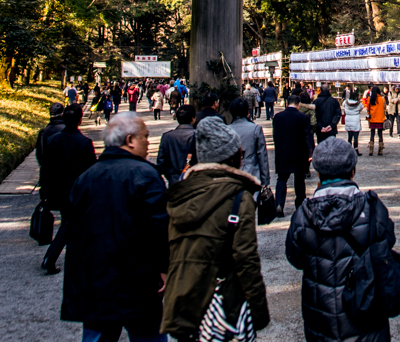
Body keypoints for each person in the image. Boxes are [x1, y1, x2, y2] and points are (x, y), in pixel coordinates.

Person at [61, 112, 168, 342]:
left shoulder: (86, 177)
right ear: (130, 140)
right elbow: (159, 227)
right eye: (145, 137)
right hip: (137, 278)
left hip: (93, 278)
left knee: (97, 334)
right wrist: (164, 267)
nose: (149, 143)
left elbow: (72, 227)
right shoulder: (147, 175)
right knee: (147, 334)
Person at [162, 116, 271, 340]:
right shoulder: (238, 198)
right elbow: (246, 258)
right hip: (223, 304)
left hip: (183, 301)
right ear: (232, 157)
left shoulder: (179, 195)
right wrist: (259, 310)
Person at [286, 138, 398, 342]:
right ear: (352, 170)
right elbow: (387, 243)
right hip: (365, 308)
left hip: (321, 312)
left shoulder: (303, 214)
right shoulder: (371, 208)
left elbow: (295, 258)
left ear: (319, 173)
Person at [40, 104, 97, 274]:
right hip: (77, 190)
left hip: (57, 189)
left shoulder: (53, 140)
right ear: (80, 120)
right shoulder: (85, 142)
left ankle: (60, 256)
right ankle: (51, 257)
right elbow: (90, 170)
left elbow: (46, 167)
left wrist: (44, 190)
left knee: (69, 222)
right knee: (69, 224)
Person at [273, 95, 313, 214]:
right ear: (298, 104)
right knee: (299, 179)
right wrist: (311, 152)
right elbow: (308, 136)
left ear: (287, 103)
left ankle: (279, 203)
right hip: (299, 152)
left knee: (281, 179)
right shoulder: (303, 117)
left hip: (283, 151)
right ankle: (300, 204)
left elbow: (276, 135)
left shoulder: (278, 117)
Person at [227, 97, 270, 190]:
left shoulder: (226, 130)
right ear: (247, 112)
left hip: (231, 173)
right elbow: (262, 156)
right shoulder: (255, 129)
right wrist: (265, 180)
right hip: (252, 172)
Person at [158, 104, 198, 183]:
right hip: (194, 179)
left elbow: (161, 162)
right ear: (193, 119)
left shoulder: (167, 137)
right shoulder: (198, 135)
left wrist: (170, 175)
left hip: (174, 180)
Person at [366, 84, 387, 156]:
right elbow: (385, 107)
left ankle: (371, 150)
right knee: (380, 134)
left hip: (372, 119)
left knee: (372, 134)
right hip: (380, 119)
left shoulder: (370, 99)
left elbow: (367, 108)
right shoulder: (382, 99)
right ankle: (380, 150)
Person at [342, 87, 364, 154]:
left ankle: (348, 150)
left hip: (348, 118)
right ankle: (356, 149)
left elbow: (343, 106)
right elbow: (361, 108)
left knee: (349, 136)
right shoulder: (359, 104)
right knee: (356, 137)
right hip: (355, 118)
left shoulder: (346, 102)